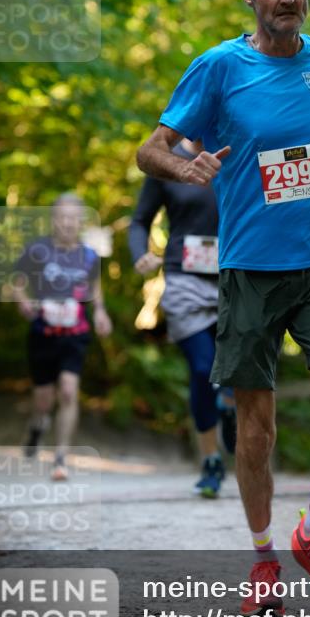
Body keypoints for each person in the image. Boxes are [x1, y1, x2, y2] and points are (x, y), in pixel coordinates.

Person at [137, 0, 310, 612]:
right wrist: (186, 168)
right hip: (249, 272)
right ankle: (264, 558)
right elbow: (148, 150)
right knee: (257, 428)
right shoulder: (218, 68)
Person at [128, 139, 236, 498]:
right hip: (184, 281)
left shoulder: (239, 151)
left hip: (235, 279)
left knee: (236, 368)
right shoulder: (169, 161)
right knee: (203, 369)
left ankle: (230, 404)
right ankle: (210, 461)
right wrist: (139, 254)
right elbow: (139, 221)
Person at [12, 194, 112, 480]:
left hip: (75, 332)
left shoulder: (89, 255)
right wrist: (23, 301)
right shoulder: (37, 250)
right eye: (62, 217)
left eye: (73, 217)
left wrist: (101, 312)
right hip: (43, 330)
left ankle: (60, 458)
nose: (67, 223)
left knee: (68, 390)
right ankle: (36, 427)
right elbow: (17, 285)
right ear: (54, 219)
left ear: (80, 221)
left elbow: (95, 287)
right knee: (43, 399)